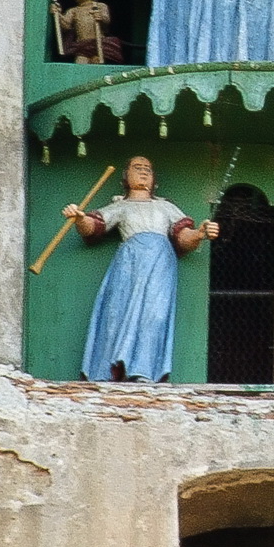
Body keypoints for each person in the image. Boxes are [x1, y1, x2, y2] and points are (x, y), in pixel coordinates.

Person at [66, 155, 218, 382]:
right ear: (125, 177)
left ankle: (143, 371)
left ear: (154, 179)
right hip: (129, 264)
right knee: (117, 313)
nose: (143, 172)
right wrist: (79, 218)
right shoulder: (121, 206)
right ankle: (112, 370)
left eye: (148, 168)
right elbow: (94, 226)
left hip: (160, 263)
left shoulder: (165, 207)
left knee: (155, 315)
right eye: (137, 168)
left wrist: (200, 234)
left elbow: (183, 237)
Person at [50, 0, 122, 64]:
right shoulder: (73, 11)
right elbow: (66, 26)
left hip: (98, 45)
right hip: (82, 47)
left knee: (97, 62)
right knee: (80, 63)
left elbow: (106, 20)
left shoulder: (100, 6)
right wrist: (58, 14)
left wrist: (100, 17)